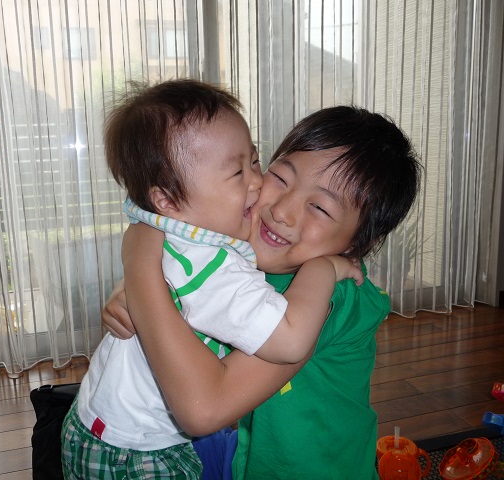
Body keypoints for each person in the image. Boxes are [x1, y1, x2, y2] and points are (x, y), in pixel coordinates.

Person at [60, 80, 362, 480]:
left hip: (95, 424)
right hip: (139, 454)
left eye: (255, 162)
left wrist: (138, 275)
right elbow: (289, 339)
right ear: (168, 200)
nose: (258, 183)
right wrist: (323, 269)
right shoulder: (216, 263)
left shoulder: (163, 227)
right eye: (239, 172)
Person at [103, 104, 422, 479]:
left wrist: (141, 268)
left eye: (320, 208)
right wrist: (147, 288)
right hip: (253, 457)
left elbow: (203, 409)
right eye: (282, 178)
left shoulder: (331, 299)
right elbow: (193, 264)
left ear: (357, 243)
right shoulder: (250, 253)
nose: (282, 211)